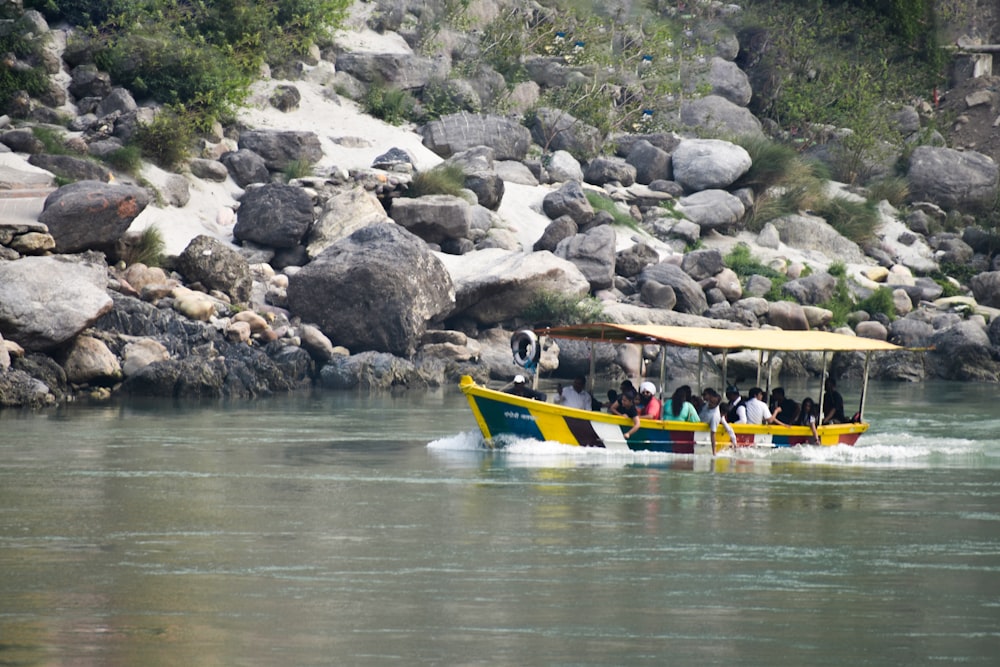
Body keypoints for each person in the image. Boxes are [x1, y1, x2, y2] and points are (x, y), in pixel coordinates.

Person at [699, 388, 737, 454]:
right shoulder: (707, 405)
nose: (709, 403)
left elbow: (713, 434)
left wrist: (714, 451)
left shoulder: (715, 416)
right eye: (710, 401)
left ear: (716, 404)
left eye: (712, 403)